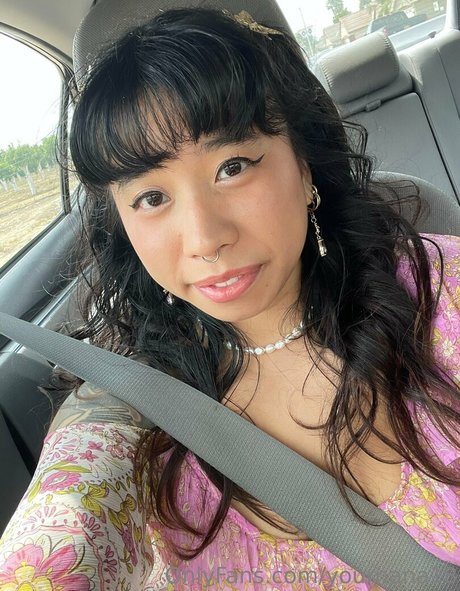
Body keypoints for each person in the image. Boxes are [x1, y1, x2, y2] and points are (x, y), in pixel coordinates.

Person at [0, 7, 459, 590]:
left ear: (304, 165)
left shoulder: (441, 292)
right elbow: (62, 530)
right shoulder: (139, 421)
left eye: (232, 166)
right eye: (151, 198)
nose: (204, 239)